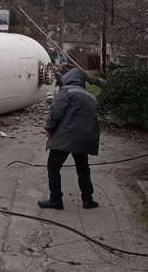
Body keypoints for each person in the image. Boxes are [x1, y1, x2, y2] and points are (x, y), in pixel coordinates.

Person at [38, 68, 101, 210]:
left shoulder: (66, 91)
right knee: (83, 168)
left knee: (53, 167)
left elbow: (56, 112)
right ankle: (88, 200)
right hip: (84, 138)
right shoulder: (90, 97)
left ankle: (55, 199)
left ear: (68, 78)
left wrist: (49, 128)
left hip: (66, 137)